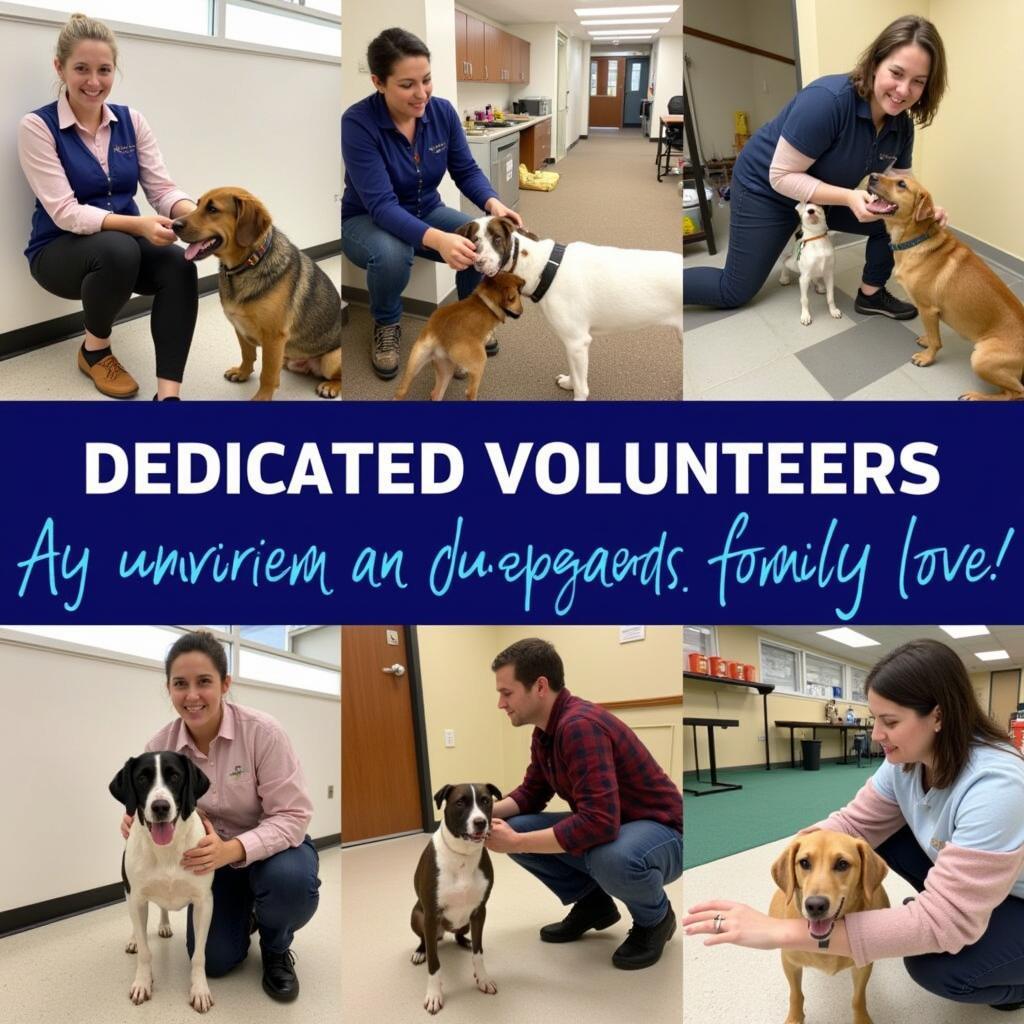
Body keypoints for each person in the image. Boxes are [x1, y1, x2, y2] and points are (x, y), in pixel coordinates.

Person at [684, 638, 1024, 1012]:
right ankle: (935, 906)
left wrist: (779, 929)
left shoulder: (997, 784)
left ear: (939, 717)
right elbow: (851, 825)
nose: (876, 734)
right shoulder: (906, 760)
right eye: (874, 718)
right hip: (979, 884)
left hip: (1017, 898)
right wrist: (799, 854)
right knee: (866, 840)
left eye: (890, 721)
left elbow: (949, 922)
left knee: (936, 965)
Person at [684, 15, 949, 319]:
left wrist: (923, 207)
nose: (904, 90)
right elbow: (781, 176)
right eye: (897, 73)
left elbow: (900, 180)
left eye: (918, 81)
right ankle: (660, 283)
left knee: (894, 220)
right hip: (766, 188)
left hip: (821, 193)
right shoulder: (827, 101)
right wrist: (849, 197)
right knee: (733, 291)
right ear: (876, 63)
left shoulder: (902, 126)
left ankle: (871, 295)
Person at [119, 631, 321, 1003]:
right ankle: (246, 913)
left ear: (225, 684)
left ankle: (276, 947)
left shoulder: (263, 733)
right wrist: (133, 818)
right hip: (205, 861)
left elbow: (294, 815)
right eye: (180, 684)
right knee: (215, 961)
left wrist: (233, 850)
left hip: (272, 851)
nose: (192, 695)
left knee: (290, 883)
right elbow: (144, 795)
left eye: (204, 682)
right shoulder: (159, 746)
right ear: (169, 689)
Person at [18, 13, 198, 400]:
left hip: (125, 249)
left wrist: (200, 218)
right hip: (58, 251)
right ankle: (94, 350)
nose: (94, 82)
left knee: (179, 265)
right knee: (118, 248)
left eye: (104, 69)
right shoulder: (36, 127)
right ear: (60, 67)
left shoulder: (132, 121)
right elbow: (66, 212)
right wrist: (137, 226)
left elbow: (161, 188)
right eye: (81, 69)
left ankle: (169, 396)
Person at [485, 637, 684, 969]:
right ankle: (593, 904)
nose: (501, 704)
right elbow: (531, 794)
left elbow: (599, 823)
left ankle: (656, 919)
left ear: (540, 686)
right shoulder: (544, 732)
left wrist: (516, 843)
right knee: (514, 825)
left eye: (506, 693)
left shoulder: (579, 727)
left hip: (665, 833)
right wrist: (483, 813)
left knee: (609, 855)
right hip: (617, 825)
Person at [341, 27, 523, 380]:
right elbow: (380, 205)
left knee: (477, 245)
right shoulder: (357, 123)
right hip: (367, 219)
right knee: (393, 254)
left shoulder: (441, 112)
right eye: (407, 85)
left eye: (426, 80)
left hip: (426, 208)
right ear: (378, 82)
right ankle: (387, 324)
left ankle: (469, 326)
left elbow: (466, 169)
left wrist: (493, 203)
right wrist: (439, 240)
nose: (421, 93)